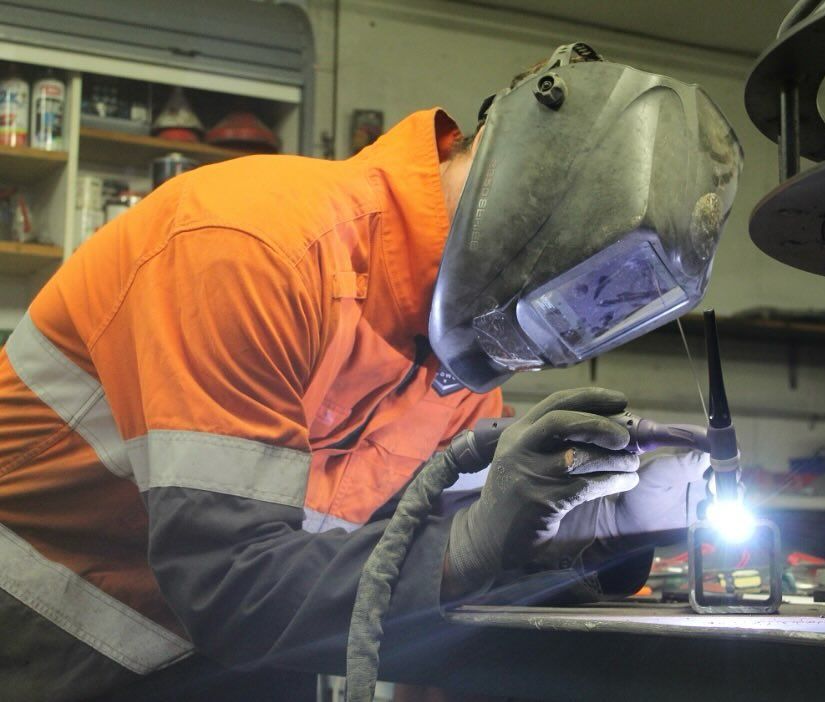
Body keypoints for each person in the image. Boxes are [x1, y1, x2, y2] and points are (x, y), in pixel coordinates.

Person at [0, 43, 741, 701]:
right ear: (524, 188)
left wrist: (597, 521)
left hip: (216, 668)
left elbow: (412, 556)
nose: (554, 335)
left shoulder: (455, 364)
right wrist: (477, 540)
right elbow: (230, 583)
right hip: (33, 651)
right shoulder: (256, 248)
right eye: (578, 283)